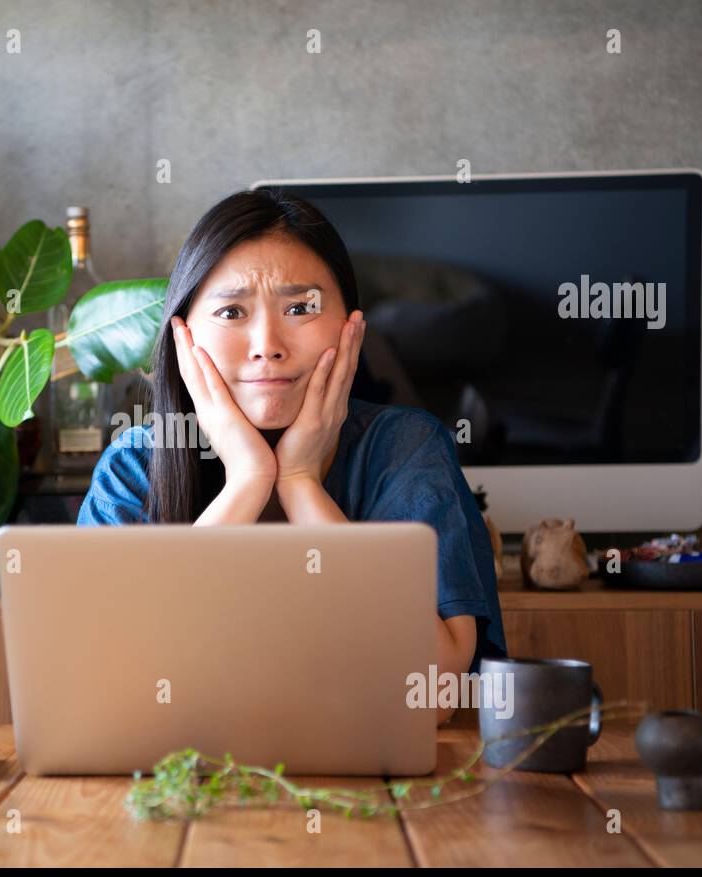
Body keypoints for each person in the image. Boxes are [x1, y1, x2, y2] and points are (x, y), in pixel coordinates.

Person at [76, 187, 506, 721]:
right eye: (232, 311)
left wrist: (301, 482)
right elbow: (115, 690)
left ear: (352, 326)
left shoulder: (405, 448)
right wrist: (247, 482)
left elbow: (433, 692)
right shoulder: (133, 468)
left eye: (300, 308)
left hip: (390, 791)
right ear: (184, 337)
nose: (267, 344)